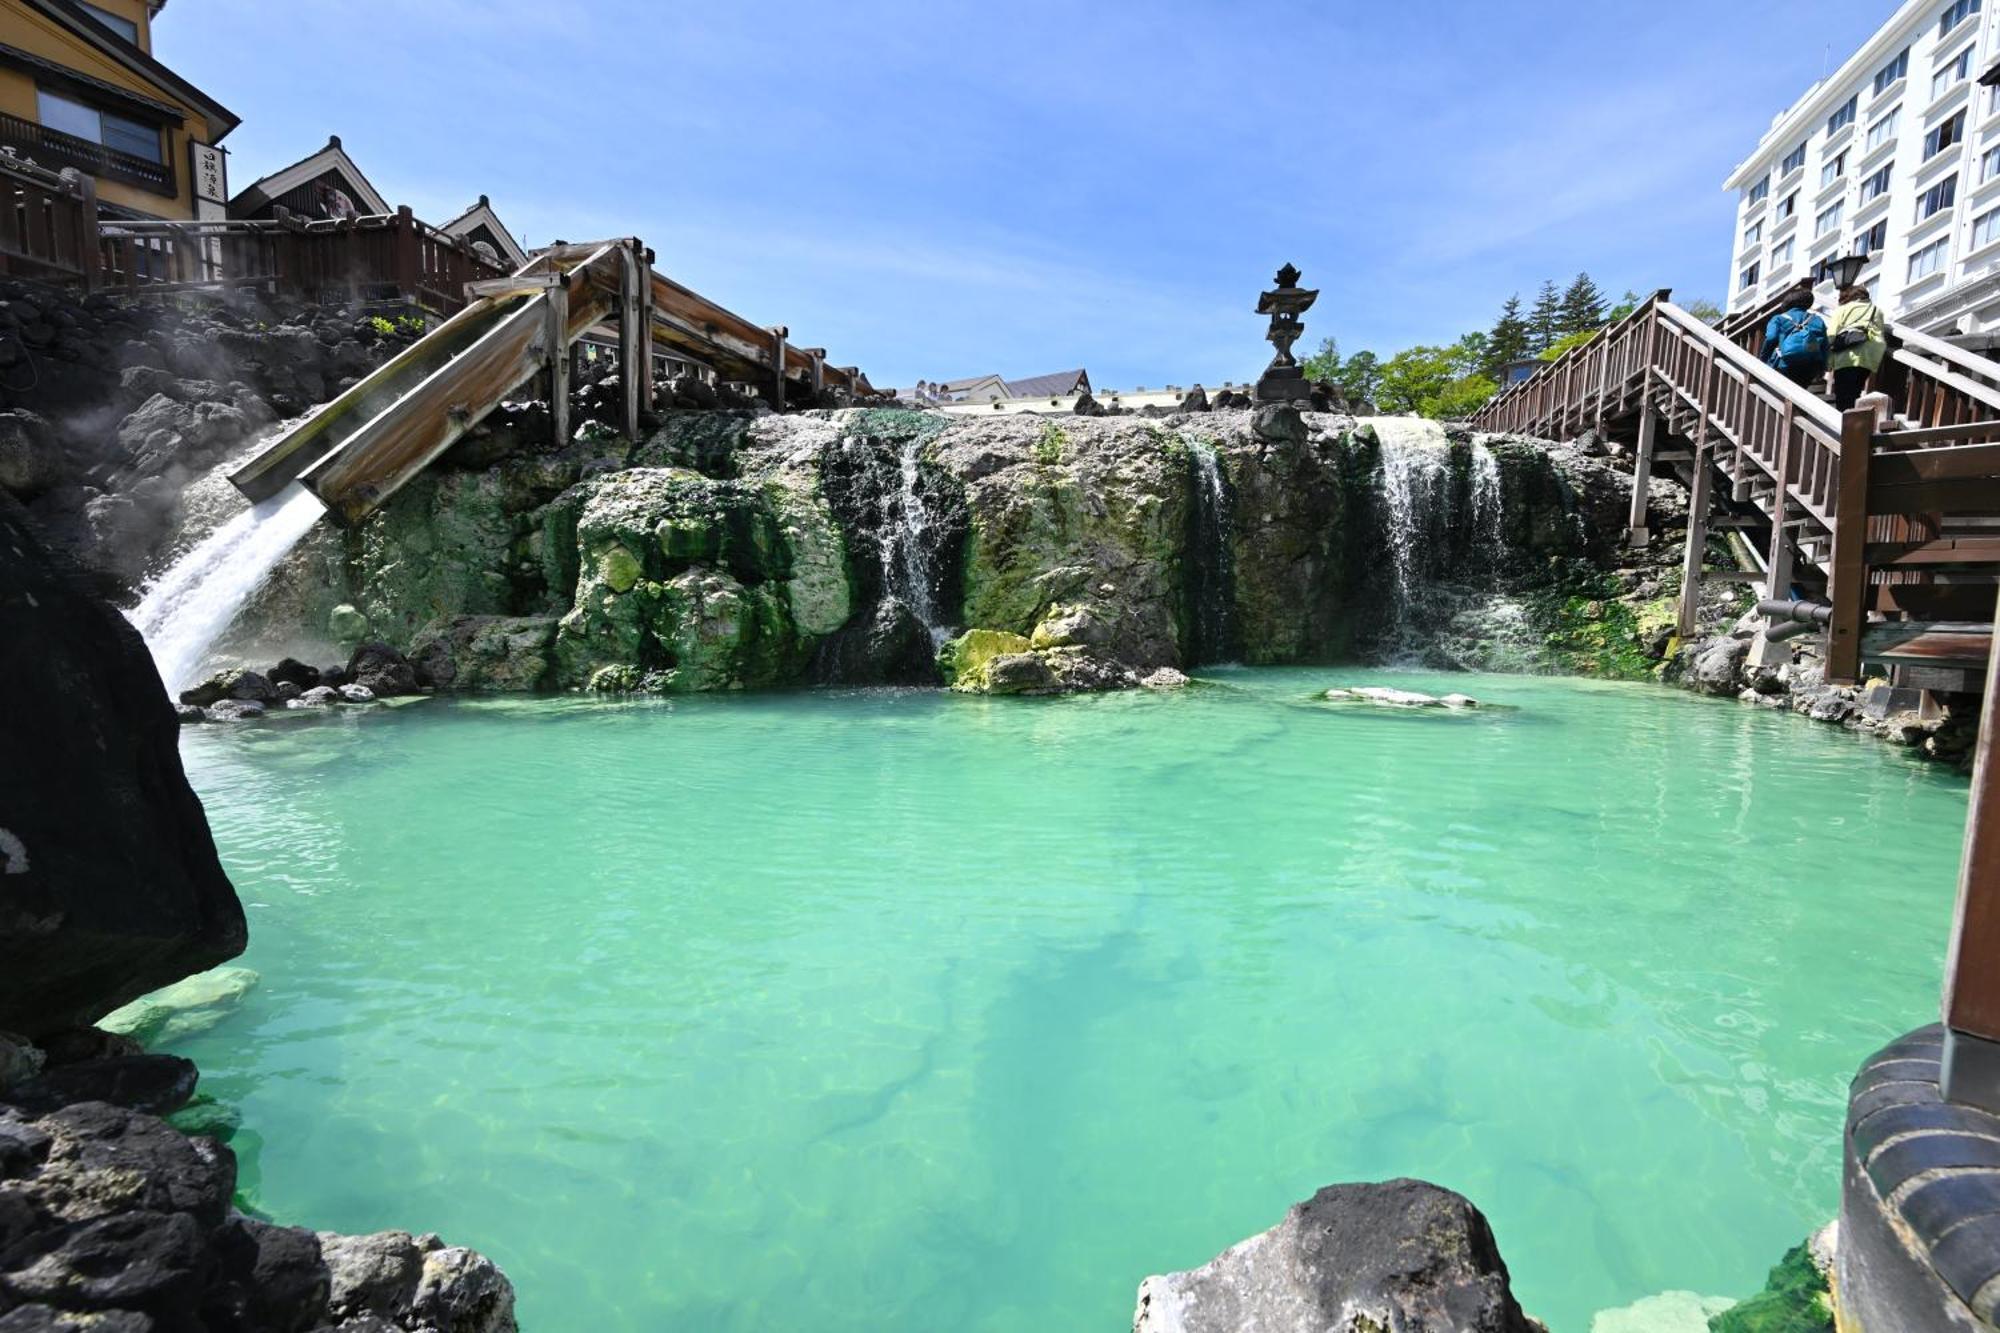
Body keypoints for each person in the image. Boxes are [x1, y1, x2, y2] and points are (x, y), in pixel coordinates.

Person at [1827, 283, 1888, 411]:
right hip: (1868, 357)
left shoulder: (1842, 309)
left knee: (1843, 395)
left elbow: (1831, 335)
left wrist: (1827, 361)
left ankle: (1843, 422)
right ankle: (1852, 420)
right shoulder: (1877, 311)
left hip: (1846, 357)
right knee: (1855, 391)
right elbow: (1880, 332)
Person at [1763, 284, 1828, 390]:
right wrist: (1823, 367)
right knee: (1801, 390)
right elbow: (1825, 345)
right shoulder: (1817, 319)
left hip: (1785, 362)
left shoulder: (1778, 318)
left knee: (1784, 392)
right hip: (1811, 364)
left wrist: (1763, 359)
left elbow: (1770, 338)